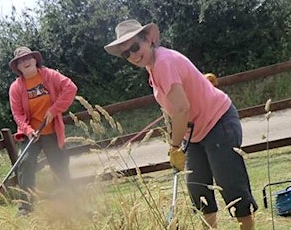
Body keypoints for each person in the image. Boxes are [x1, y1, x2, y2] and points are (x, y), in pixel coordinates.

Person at [104, 19, 258, 229]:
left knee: (231, 186)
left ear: (149, 39)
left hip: (218, 122)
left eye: (134, 47)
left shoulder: (163, 63)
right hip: (194, 133)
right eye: (126, 54)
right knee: (198, 189)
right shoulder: (153, 66)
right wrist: (197, 83)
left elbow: (181, 109)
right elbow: (177, 101)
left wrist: (175, 147)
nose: (132, 55)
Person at [8, 46, 78, 216]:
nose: (25, 62)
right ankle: (25, 207)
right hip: (32, 135)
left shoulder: (49, 75)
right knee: (24, 162)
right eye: (21, 61)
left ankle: (69, 198)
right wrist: (28, 130)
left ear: (35, 60)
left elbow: (70, 88)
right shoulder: (16, 88)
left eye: (28, 58)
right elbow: (17, 114)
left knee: (60, 163)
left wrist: (54, 110)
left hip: (52, 131)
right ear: (17, 67)